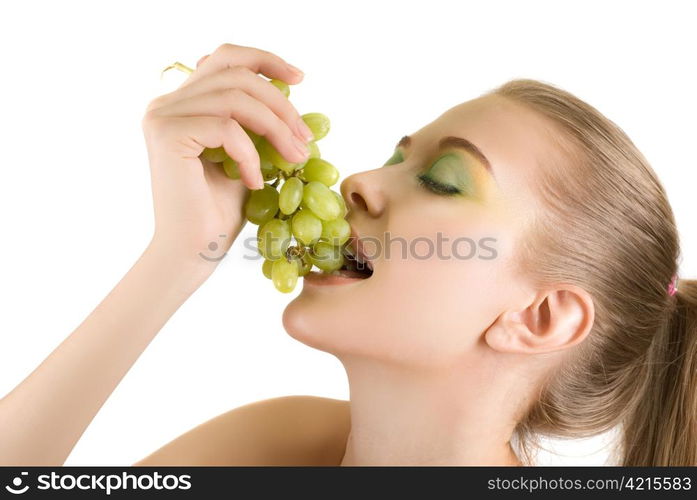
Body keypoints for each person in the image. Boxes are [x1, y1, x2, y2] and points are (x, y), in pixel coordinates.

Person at [0, 42, 694, 466]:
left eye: (441, 181)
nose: (357, 182)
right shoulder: (282, 443)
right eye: (395, 157)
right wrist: (178, 257)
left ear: (540, 318)